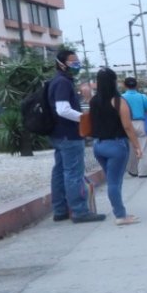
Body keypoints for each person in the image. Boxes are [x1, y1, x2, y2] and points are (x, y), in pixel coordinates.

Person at [48, 49, 105, 223]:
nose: (77, 64)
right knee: (73, 173)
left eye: (77, 61)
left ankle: (60, 210)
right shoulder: (63, 83)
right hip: (70, 134)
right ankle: (80, 211)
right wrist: (84, 119)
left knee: (59, 172)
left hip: (58, 134)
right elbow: (63, 110)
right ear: (61, 63)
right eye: (73, 61)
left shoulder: (55, 81)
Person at [88, 68, 142, 225]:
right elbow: (127, 126)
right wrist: (137, 146)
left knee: (111, 180)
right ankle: (120, 215)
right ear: (113, 82)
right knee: (115, 182)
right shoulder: (118, 101)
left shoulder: (94, 101)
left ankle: (120, 212)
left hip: (98, 145)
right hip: (116, 145)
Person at [121, 76, 147, 177]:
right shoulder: (142, 97)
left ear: (124, 85)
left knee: (130, 148)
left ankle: (133, 170)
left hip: (126, 124)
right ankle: (143, 172)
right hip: (141, 123)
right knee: (144, 148)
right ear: (137, 85)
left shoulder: (121, 98)